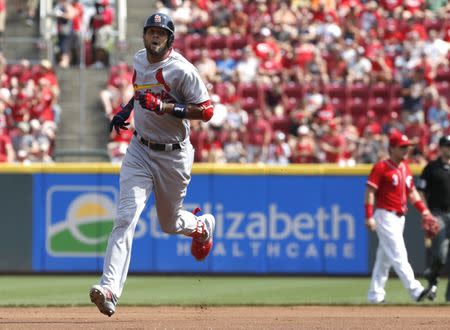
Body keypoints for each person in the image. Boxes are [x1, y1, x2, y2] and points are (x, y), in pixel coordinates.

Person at [89, 12, 216, 317]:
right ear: (144, 35)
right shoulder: (138, 60)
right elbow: (141, 92)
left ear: (170, 38)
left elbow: (207, 111)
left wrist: (165, 107)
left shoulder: (182, 70)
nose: (156, 35)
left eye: (162, 32)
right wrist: (124, 110)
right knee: (125, 218)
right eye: (152, 31)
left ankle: (201, 226)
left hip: (173, 155)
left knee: (169, 223)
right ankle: (109, 290)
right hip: (140, 151)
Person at [364, 131, 435, 303]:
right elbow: (370, 192)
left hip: (400, 217)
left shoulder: (405, 168)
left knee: (384, 258)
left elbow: (412, 193)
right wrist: (369, 216)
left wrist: (424, 211)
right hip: (385, 214)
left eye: (407, 147)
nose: (406, 150)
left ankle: (375, 295)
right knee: (398, 253)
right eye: (402, 147)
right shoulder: (381, 167)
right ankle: (415, 290)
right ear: (392, 148)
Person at [417, 135, 450, 301]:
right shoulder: (431, 167)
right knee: (441, 254)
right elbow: (421, 190)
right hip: (439, 214)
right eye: (447, 146)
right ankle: (433, 278)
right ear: (441, 147)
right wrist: (426, 212)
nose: (449, 148)